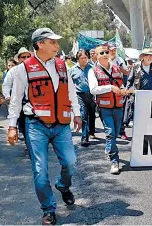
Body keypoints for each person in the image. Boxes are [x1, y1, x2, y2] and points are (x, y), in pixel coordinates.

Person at [7, 28, 82, 225]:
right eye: (53, 42)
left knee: (71, 162)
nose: (57, 46)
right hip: (36, 125)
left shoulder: (62, 66)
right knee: (40, 170)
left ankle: (63, 186)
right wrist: (12, 126)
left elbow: (71, 91)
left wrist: (77, 113)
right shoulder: (23, 69)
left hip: (61, 125)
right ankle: (48, 209)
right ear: (40, 44)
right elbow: (15, 100)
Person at [88, 44, 128, 174]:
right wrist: (110, 87)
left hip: (118, 106)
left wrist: (124, 90)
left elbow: (122, 84)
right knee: (110, 133)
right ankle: (114, 161)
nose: (105, 54)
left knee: (116, 133)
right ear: (96, 56)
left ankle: (109, 147)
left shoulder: (117, 68)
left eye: (106, 52)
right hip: (105, 107)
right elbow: (93, 90)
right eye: (101, 53)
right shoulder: (92, 71)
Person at [70, 49, 97, 146]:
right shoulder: (72, 70)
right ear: (78, 59)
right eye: (81, 58)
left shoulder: (92, 69)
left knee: (92, 114)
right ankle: (85, 138)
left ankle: (91, 131)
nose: (83, 60)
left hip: (91, 94)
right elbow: (69, 84)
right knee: (83, 115)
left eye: (85, 58)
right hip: (79, 95)